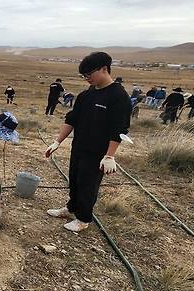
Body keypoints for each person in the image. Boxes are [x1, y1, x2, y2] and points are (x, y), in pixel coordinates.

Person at [44, 52, 130, 232]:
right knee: (74, 179)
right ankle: (71, 208)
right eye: (84, 76)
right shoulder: (86, 95)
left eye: (89, 74)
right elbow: (72, 119)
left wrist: (109, 156)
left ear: (104, 69)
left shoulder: (118, 96)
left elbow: (119, 129)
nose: (87, 79)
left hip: (97, 152)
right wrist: (57, 142)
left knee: (88, 184)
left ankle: (83, 219)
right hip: (79, 146)